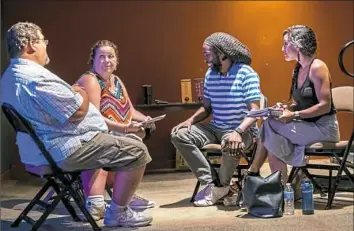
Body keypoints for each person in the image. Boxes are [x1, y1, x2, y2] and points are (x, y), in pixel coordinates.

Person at [1, 22, 153, 227]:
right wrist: (80, 92)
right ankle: (118, 211)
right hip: (62, 150)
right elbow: (78, 111)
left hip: (43, 148)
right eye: (43, 41)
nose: (46, 45)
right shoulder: (36, 78)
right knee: (137, 150)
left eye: (111, 56)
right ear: (30, 45)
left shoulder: (10, 76)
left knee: (115, 142)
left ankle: (102, 202)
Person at [171, 32, 261, 207]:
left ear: (222, 53)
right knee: (179, 134)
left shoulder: (246, 73)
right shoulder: (210, 74)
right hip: (216, 127)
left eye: (207, 54)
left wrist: (237, 132)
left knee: (231, 142)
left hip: (243, 130)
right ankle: (213, 183)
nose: (205, 58)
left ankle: (222, 186)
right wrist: (189, 121)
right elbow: (206, 108)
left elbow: (255, 111)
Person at [248, 25, 340, 185]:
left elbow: (325, 105)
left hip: (325, 129)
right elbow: (298, 104)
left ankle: (253, 172)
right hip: (306, 126)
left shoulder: (317, 67)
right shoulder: (297, 69)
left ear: (298, 45)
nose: (282, 48)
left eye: (285, 44)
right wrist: (286, 108)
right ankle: (282, 191)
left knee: (268, 124)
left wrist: (294, 115)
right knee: (273, 143)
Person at [76, 40, 156, 221]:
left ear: (117, 60)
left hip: (117, 132)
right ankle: (110, 200)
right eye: (101, 57)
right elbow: (94, 120)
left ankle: (123, 195)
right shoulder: (90, 80)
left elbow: (130, 111)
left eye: (110, 56)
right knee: (132, 143)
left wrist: (146, 119)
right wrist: (126, 128)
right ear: (93, 60)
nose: (107, 60)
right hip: (95, 135)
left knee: (139, 136)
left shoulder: (117, 80)